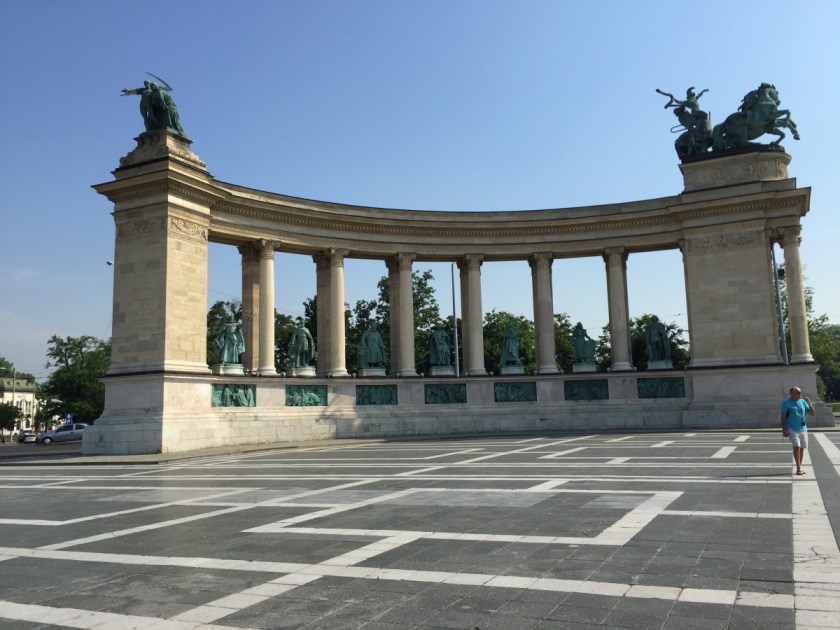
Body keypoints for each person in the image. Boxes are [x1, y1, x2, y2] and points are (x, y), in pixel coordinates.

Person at [780, 386, 815, 475]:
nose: (801, 394)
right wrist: (784, 429)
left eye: (801, 392)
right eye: (799, 392)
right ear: (792, 394)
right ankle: (798, 468)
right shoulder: (786, 403)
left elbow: (812, 413)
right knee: (796, 447)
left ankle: (800, 466)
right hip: (792, 428)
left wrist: (809, 403)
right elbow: (783, 416)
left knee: (802, 448)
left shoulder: (803, 402)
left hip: (803, 428)